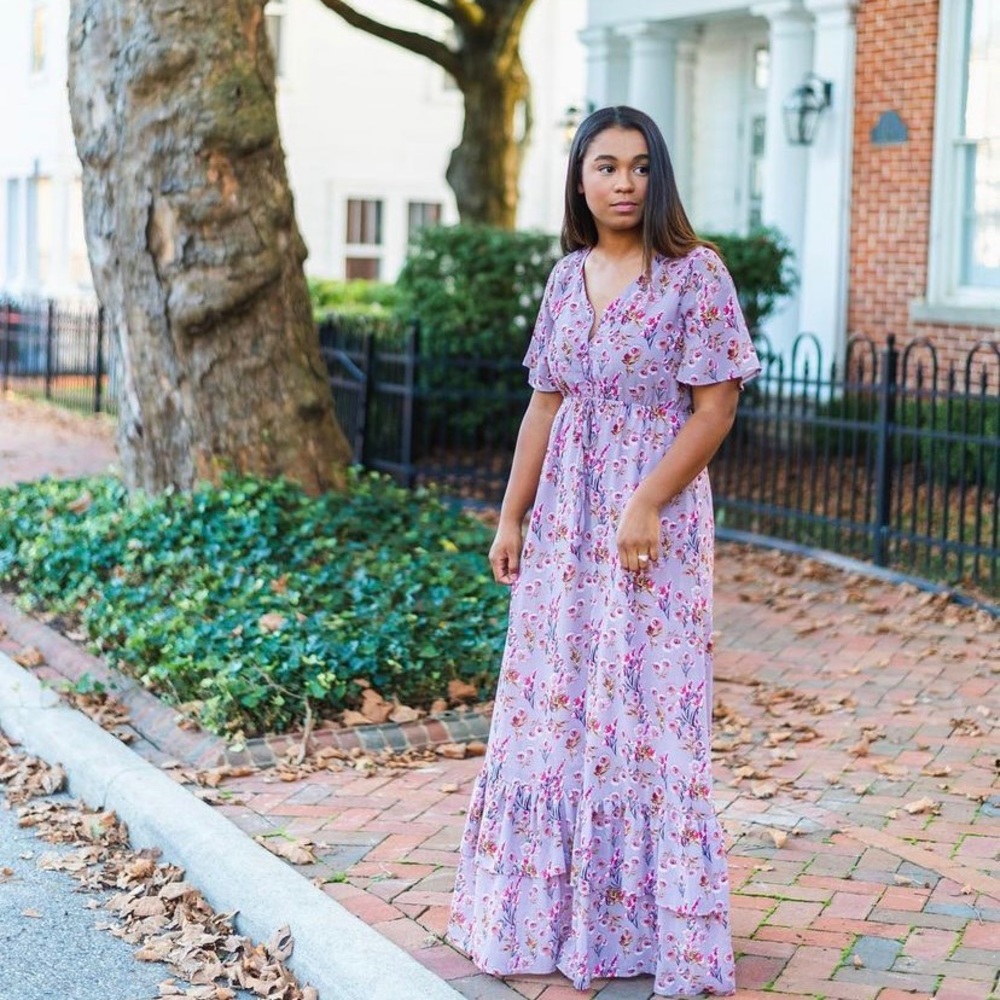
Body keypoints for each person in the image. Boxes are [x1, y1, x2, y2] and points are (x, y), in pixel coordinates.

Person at [447, 105, 760, 997]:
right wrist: (512, 517)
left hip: (647, 526)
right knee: (558, 707)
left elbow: (716, 408)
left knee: (647, 712)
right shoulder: (564, 278)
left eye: (636, 167)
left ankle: (653, 932)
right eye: (604, 166)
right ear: (580, 180)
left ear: (656, 177)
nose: (622, 182)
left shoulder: (696, 275)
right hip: (563, 528)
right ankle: (548, 919)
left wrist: (648, 500)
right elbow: (544, 406)